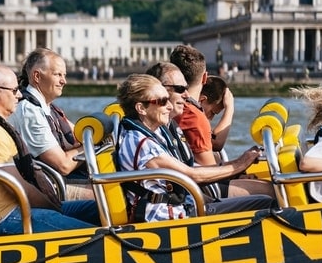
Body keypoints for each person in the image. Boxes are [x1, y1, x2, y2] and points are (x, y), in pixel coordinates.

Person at [115, 74, 275, 222]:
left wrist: (237, 165)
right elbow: (191, 175)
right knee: (267, 203)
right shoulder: (143, 144)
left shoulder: (151, 131)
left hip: (183, 206)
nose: (169, 107)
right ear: (141, 108)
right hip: (166, 219)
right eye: (162, 101)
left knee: (263, 200)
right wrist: (241, 164)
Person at [0, 65, 98, 235]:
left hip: (18, 209)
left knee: (98, 208)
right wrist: (53, 206)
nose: (19, 95)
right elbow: (18, 186)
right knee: (97, 236)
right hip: (6, 217)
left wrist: (55, 205)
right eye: (15, 90)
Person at [145, 61, 272, 200]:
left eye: (186, 88)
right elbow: (195, 173)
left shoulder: (169, 127)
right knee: (272, 192)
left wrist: (239, 167)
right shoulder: (149, 138)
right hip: (197, 197)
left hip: (197, 192)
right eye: (181, 89)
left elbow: (193, 168)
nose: (187, 95)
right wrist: (239, 165)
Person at [7, 48, 92, 199]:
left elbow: (78, 134)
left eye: (64, 75)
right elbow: (63, 165)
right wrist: (92, 146)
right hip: (47, 188)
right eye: (58, 74)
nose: (64, 81)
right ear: (37, 76)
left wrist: (90, 141)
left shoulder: (47, 107)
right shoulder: (30, 112)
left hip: (56, 181)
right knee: (111, 194)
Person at [199, 75, 232, 153]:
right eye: (212, 113)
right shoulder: (190, 116)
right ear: (202, 100)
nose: (211, 118)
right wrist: (230, 108)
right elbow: (216, 143)